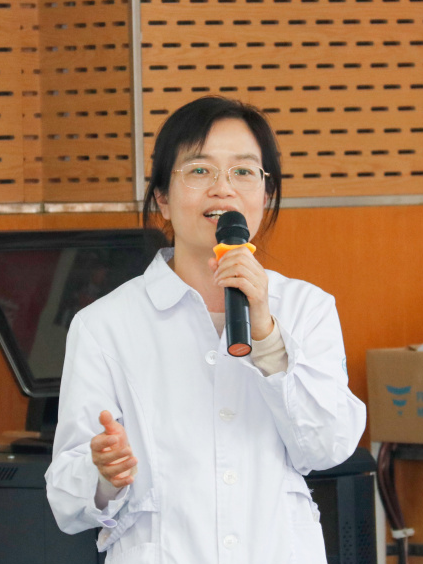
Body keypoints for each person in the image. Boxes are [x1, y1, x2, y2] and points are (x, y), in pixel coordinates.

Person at [45, 96, 366, 564]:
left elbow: (327, 447)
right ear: (162, 197)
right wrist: (103, 475)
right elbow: (65, 499)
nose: (223, 189)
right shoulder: (104, 325)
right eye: (199, 170)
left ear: (266, 194)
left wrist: (267, 334)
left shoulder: (306, 308)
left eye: (243, 171)